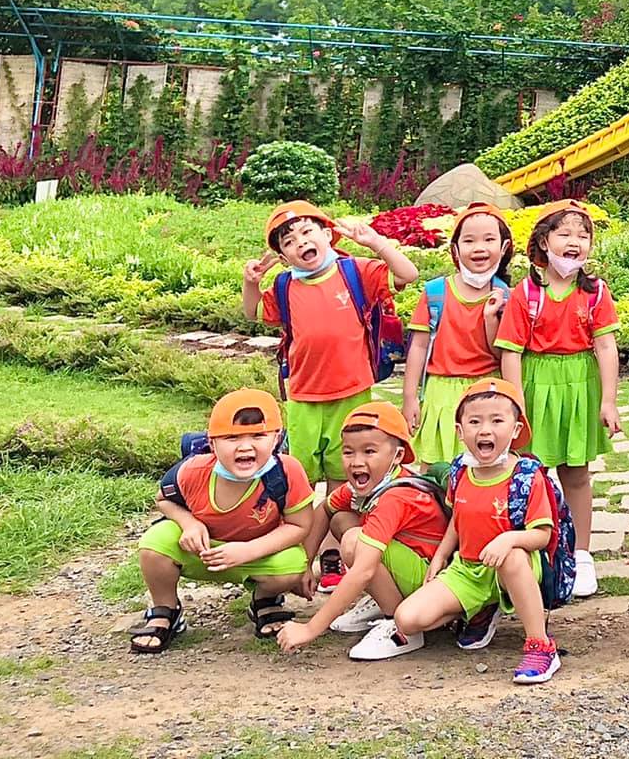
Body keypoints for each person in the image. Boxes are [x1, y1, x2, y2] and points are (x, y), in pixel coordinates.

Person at [243, 200, 418, 591]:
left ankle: (333, 555)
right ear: (282, 256)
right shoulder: (285, 286)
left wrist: (376, 243)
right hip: (303, 397)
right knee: (302, 482)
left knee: (344, 478)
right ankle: (298, 554)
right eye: (289, 241)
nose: (300, 242)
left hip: (353, 393)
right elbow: (252, 314)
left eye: (307, 232)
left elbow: (408, 273)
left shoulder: (356, 271)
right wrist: (251, 283)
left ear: (327, 234)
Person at [393, 378, 562, 685]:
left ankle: (540, 645)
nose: (485, 430)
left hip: (516, 567)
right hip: (468, 569)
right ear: (460, 431)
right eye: (475, 422)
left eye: (497, 421)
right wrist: (441, 556)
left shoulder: (526, 476)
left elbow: (543, 535)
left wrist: (508, 539)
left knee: (512, 558)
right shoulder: (459, 471)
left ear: (515, 429)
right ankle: (480, 610)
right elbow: (457, 520)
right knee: (408, 619)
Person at [494, 200, 621, 600]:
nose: (574, 242)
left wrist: (609, 400)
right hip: (537, 385)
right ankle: (534, 550)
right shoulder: (526, 293)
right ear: (544, 242)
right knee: (531, 473)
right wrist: (515, 403)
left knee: (577, 472)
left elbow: (606, 346)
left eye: (583, 235)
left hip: (579, 386)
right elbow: (511, 351)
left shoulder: (595, 293)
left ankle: (581, 553)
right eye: (564, 233)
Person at [130, 387, 315, 653]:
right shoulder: (193, 471)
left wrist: (248, 550)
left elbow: (300, 525)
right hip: (204, 552)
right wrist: (189, 523)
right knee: (155, 542)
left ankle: (265, 601)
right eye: (231, 437)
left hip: (256, 554)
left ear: (276, 438)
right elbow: (163, 499)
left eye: (258, 435)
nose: (245, 446)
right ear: (212, 442)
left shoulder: (286, 472)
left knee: (292, 563)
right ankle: (165, 609)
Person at [277, 399, 447, 661]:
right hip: (410, 562)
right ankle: (384, 599)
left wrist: (310, 629)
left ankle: (398, 625)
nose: (357, 462)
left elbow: (364, 569)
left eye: (369, 451)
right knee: (341, 520)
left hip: (430, 581)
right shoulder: (371, 484)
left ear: (397, 456)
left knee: (354, 542)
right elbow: (325, 509)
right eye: (348, 452)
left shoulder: (395, 496)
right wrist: (306, 565)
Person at [402, 204, 513, 466]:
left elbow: (503, 354)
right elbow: (418, 346)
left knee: (485, 467)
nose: (479, 248)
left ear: (504, 247)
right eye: (469, 240)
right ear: (455, 249)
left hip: (487, 391)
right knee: (435, 468)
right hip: (440, 392)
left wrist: (491, 319)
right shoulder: (435, 292)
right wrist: (409, 398)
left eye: (489, 239)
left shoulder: (507, 296)